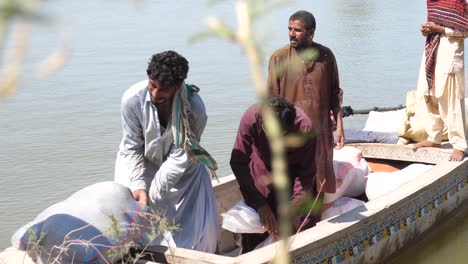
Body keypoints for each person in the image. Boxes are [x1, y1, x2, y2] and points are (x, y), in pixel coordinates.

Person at [114, 50, 219, 253]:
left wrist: (151, 198)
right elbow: (132, 146)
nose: (155, 94)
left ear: (177, 87)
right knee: (131, 221)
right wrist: (138, 186)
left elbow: (178, 160)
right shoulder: (132, 100)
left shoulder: (194, 108)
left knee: (197, 228)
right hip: (140, 160)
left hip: (184, 166)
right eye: (152, 86)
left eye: (162, 90)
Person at [266, 10, 344, 196]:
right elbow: (271, 101)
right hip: (292, 133)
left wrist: (339, 126)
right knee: (293, 183)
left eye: (297, 30)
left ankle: (314, 218)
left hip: (320, 132)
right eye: (290, 29)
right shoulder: (279, 58)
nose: (292, 34)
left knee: (319, 182)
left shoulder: (326, 57)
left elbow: (335, 94)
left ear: (311, 33)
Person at [230, 97, 318, 253]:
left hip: (292, 175)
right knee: (260, 223)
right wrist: (259, 204)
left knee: (298, 224)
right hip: (263, 172)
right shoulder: (251, 117)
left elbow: (305, 178)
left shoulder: (304, 128)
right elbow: (238, 161)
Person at [413, 0, 467, 161]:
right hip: (431, 51)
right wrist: (427, 30)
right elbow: (433, 25)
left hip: (450, 54)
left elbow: (465, 31)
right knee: (428, 94)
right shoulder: (433, 2)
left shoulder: (460, 2)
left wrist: (440, 29)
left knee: (451, 100)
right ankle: (434, 138)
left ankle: (459, 145)